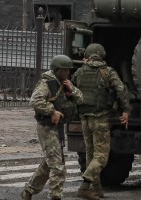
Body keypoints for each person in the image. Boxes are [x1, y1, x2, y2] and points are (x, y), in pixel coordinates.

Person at [72, 43, 131, 200]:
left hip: (85, 119)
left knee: (90, 155)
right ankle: (85, 186)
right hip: (100, 119)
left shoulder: (79, 72)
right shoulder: (107, 72)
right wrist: (125, 110)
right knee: (101, 157)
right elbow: (121, 90)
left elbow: (71, 88)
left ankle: (97, 190)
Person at [22, 54, 83, 200]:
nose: (68, 73)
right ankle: (55, 196)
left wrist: (72, 90)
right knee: (58, 166)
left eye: (69, 70)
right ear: (57, 70)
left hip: (58, 128)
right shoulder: (47, 83)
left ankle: (29, 191)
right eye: (65, 70)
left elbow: (81, 98)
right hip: (47, 127)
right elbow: (35, 101)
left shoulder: (65, 82)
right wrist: (52, 111)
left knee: (49, 163)